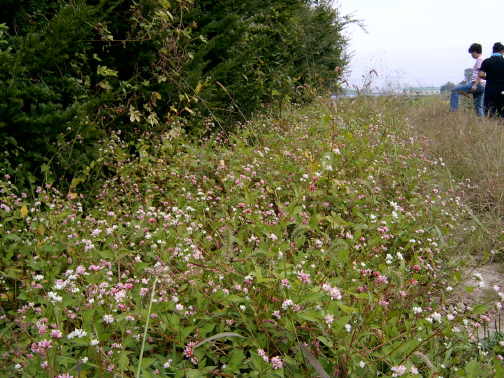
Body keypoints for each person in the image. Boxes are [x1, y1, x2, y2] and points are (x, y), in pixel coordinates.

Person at [450, 43, 486, 116]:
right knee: (478, 107)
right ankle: (482, 122)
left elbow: (481, 73)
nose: (471, 55)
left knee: (455, 90)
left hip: (477, 84)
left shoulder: (479, 60)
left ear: (475, 51)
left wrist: (475, 85)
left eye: (472, 53)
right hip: (482, 85)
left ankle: (453, 113)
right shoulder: (483, 60)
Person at [479, 42, 504, 117]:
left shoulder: (486, 61)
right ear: (502, 51)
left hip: (490, 89)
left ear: (493, 50)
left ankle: (489, 126)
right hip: (502, 90)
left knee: (489, 111)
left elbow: (481, 74)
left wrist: (489, 78)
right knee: (501, 112)